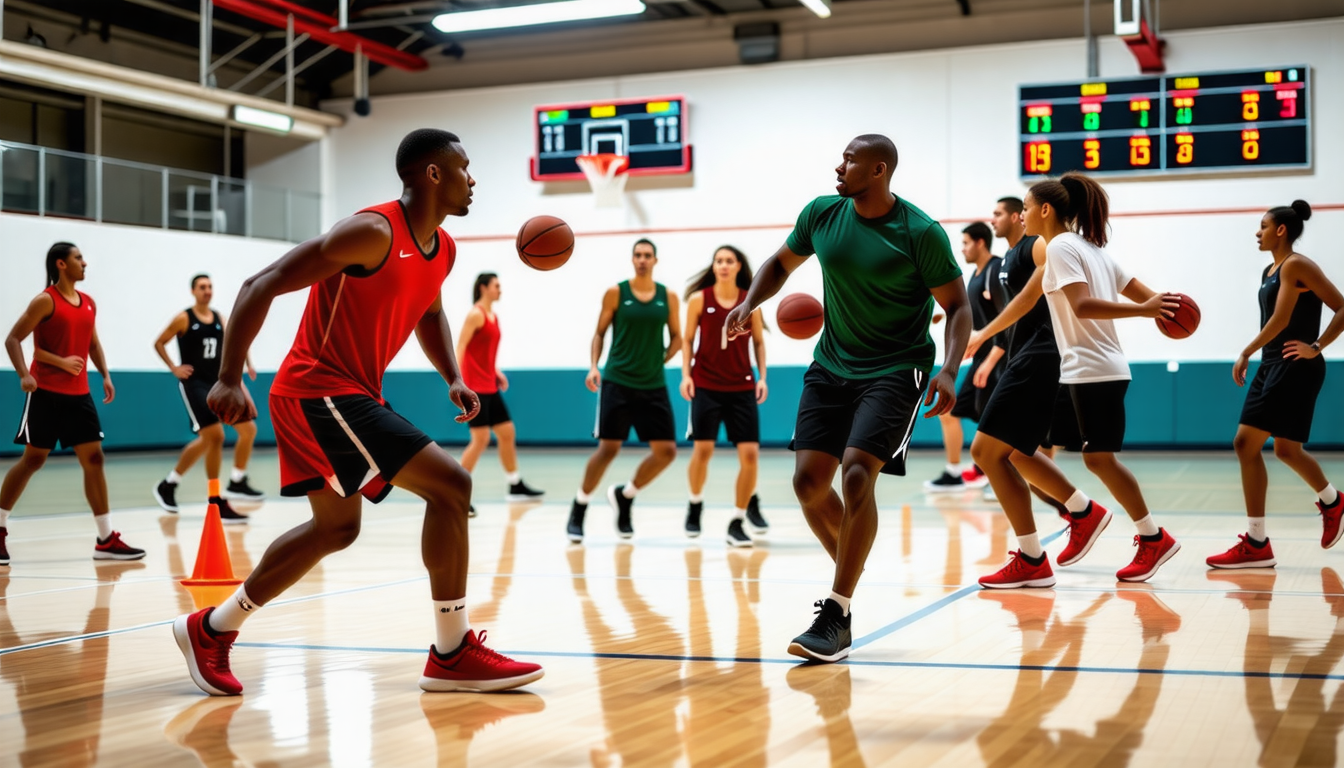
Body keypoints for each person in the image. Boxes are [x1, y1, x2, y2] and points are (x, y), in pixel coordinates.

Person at [172, 129, 542, 696]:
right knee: (451, 484)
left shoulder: (441, 248)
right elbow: (260, 283)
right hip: (317, 388)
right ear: (433, 174)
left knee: (336, 529)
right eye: (465, 167)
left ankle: (212, 628)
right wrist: (226, 377)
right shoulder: (371, 231)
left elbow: (429, 314)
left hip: (348, 393)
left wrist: (453, 377)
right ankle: (451, 650)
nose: (474, 180)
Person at [726, 134, 971, 662]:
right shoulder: (822, 214)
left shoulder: (920, 232)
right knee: (808, 482)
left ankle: (837, 612)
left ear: (878, 170)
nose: (839, 167)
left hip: (896, 368)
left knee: (857, 472)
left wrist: (950, 369)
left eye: (851, 160)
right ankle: (852, 561)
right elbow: (779, 263)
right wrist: (749, 302)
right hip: (831, 365)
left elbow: (958, 306)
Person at [975, 172, 1181, 589]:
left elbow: (1084, 305)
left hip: (1093, 368)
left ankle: (1151, 536)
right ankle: (1083, 517)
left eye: (1027, 208)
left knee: (1097, 458)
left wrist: (1151, 312)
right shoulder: (1088, 248)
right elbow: (1141, 291)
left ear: (1045, 210)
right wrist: (1165, 309)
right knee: (1020, 450)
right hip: (1077, 370)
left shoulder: (1064, 246)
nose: (1023, 215)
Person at [1209, 200, 1344, 568]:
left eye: (1264, 226)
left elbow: (1305, 314)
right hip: (1273, 364)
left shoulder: (1297, 265)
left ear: (1281, 230)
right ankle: (1333, 502)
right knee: (1285, 450)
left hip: (1294, 365)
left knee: (1244, 443)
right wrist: (1258, 354)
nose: (1258, 232)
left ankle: (1256, 542)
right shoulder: (1270, 269)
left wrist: (1316, 346)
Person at [1, 243, 144, 566]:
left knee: (94, 457)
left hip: (79, 395)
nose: (84, 263)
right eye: (79, 258)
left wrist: (105, 375)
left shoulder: (89, 303)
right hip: (45, 393)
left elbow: (92, 342)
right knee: (33, 461)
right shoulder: (45, 301)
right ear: (61, 264)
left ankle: (105, 539)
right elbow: (13, 339)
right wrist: (24, 375)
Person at [567, 239, 682, 543]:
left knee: (667, 452)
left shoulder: (667, 296)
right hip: (617, 381)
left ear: (655, 260)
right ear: (632, 260)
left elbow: (677, 338)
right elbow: (599, 333)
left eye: (647, 255)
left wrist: (661, 360)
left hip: (653, 384)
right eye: (637, 255)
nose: (642, 259)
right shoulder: (616, 292)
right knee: (608, 449)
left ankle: (626, 495)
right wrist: (594, 366)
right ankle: (579, 506)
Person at [152, 274, 262, 524]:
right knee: (215, 436)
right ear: (193, 291)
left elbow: (237, 342)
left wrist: (246, 368)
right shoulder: (184, 318)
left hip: (218, 384)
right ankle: (215, 500)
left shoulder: (219, 318)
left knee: (246, 430)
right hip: (195, 385)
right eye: (202, 287)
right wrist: (173, 367)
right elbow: (159, 342)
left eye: (210, 286)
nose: (207, 290)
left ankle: (234, 481)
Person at [679, 245, 769, 547]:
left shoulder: (750, 300)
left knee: (750, 456)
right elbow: (688, 339)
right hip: (706, 385)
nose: (723, 265)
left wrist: (763, 378)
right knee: (702, 451)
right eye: (719, 260)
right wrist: (686, 376)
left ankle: (737, 520)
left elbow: (758, 342)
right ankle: (695, 504)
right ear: (714, 266)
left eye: (729, 261)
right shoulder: (698, 300)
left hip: (741, 385)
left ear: (738, 266)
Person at [924, 222, 1005, 493]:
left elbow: (1007, 320)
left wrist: (992, 360)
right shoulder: (975, 275)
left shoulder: (996, 270)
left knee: (996, 423)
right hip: (981, 359)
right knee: (948, 412)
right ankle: (955, 472)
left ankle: (998, 476)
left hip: (997, 360)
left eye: (966, 242)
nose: (963, 248)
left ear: (981, 242)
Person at [456, 272, 544, 516]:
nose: (500, 289)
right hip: (474, 388)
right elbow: (461, 347)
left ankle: (515, 484)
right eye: (496, 285)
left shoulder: (493, 316)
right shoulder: (476, 314)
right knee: (481, 439)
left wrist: (496, 371)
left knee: (507, 432)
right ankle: (455, 493)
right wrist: (457, 382)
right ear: (484, 288)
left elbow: (482, 351)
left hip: (490, 386)